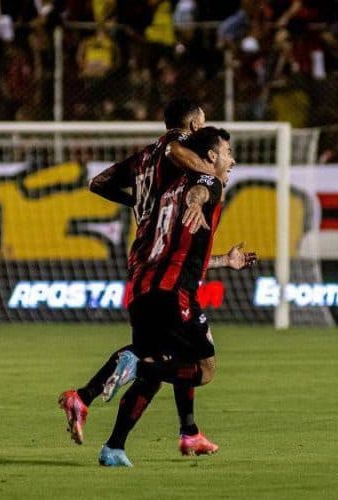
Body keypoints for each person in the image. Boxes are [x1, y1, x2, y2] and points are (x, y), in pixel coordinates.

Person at [58, 100, 254, 453]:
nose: (231, 160)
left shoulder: (146, 163)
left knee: (160, 357)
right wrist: (207, 183)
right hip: (170, 276)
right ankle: (179, 428)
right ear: (194, 128)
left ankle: (125, 437)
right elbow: (197, 177)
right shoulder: (175, 149)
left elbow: (98, 182)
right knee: (189, 365)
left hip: (145, 258)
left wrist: (141, 206)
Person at [98, 126, 237, 467]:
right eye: (228, 153)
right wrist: (197, 201)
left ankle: (115, 446)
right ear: (212, 157)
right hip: (176, 292)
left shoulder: (168, 187)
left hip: (146, 286)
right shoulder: (207, 180)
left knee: (159, 371)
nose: (233, 161)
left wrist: (224, 260)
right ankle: (136, 365)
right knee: (202, 370)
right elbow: (201, 192)